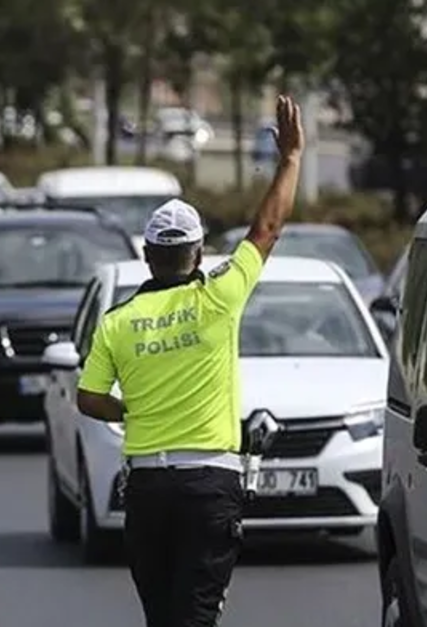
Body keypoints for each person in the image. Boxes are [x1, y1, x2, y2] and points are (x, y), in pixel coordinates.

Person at [75, 94, 304, 627]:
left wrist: (131, 411)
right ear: (199, 254)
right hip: (210, 487)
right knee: (195, 617)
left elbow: (88, 399)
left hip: (149, 491)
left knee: (163, 618)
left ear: (147, 256)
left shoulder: (118, 321)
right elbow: (267, 228)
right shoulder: (220, 296)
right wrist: (290, 159)